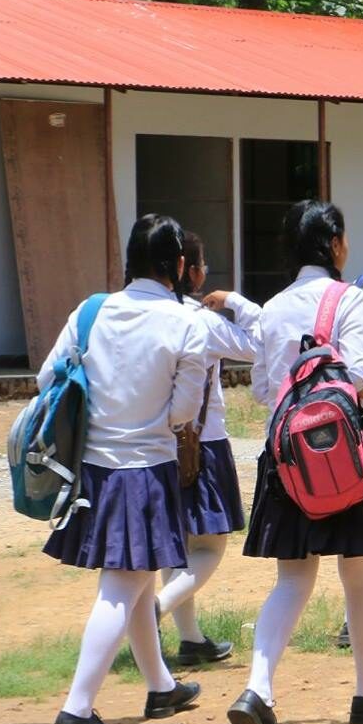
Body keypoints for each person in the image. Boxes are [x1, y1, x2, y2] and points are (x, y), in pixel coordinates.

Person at [231, 201, 363, 724]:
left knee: (292, 581)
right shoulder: (348, 298)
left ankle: (258, 688)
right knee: (361, 577)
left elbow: (260, 390)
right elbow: (360, 373)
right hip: (345, 455)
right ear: (334, 243)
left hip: (287, 460)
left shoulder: (272, 309)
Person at [43, 214, 209, 724]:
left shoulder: (91, 310)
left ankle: (161, 685)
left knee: (134, 581)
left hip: (92, 468)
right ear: (178, 266)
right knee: (122, 585)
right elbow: (184, 412)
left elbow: (49, 379)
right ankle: (77, 706)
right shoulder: (186, 323)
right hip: (146, 469)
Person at [155, 231, 256, 668]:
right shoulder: (203, 320)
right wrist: (236, 301)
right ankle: (155, 610)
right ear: (187, 270)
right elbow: (259, 343)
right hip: (203, 441)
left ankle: (191, 638)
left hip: (155, 444)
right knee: (211, 547)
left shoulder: (145, 315)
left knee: (177, 544)